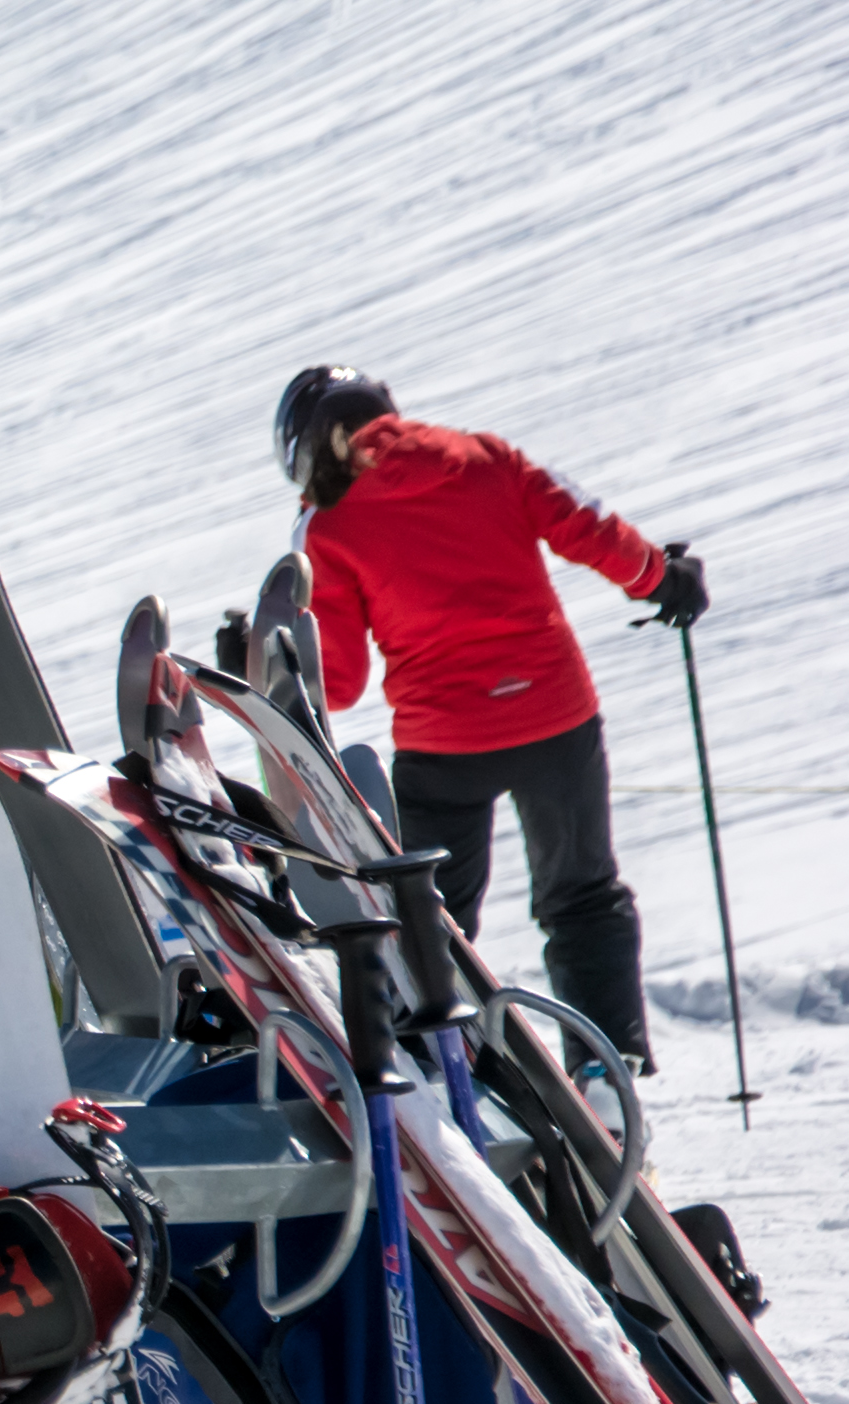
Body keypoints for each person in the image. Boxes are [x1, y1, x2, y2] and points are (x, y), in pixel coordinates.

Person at [279, 363, 706, 1065]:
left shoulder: (327, 528)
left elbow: (342, 681)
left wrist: (273, 656)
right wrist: (663, 579)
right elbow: (587, 524)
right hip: (556, 720)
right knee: (580, 895)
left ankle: (442, 1066)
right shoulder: (486, 457)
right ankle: (604, 1073)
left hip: (443, 745)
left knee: (431, 913)